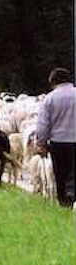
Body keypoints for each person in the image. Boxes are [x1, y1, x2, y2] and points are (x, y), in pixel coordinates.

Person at [35, 67, 76, 207]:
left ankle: (64, 202)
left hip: (58, 142)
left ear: (53, 82)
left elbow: (43, 123)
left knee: (60, 173)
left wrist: (41, 142)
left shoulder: (50, 98)